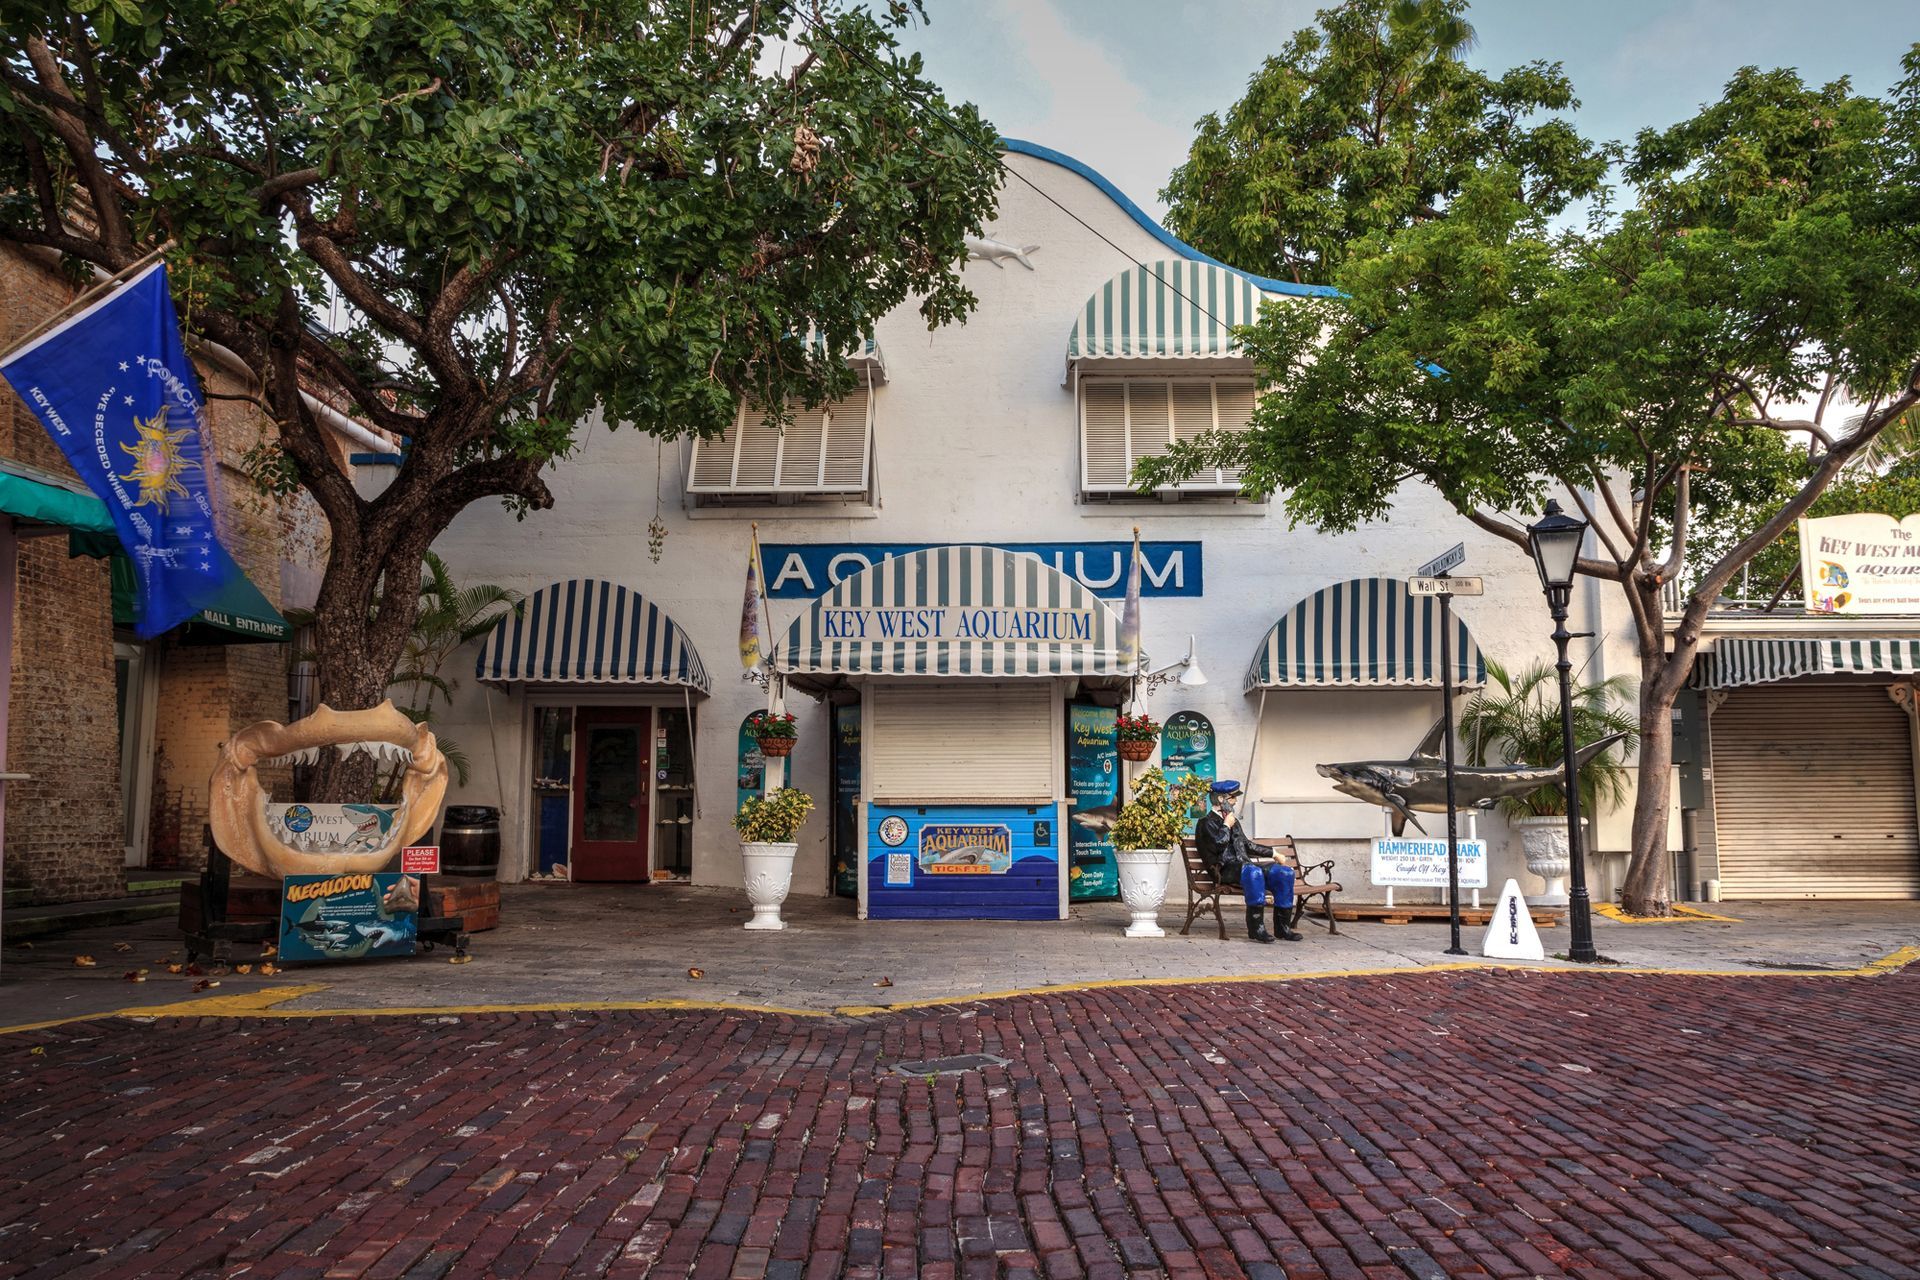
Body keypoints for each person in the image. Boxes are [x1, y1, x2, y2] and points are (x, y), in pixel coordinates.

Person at [1194, 780, 1301, 943]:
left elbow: (1247, 845)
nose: (1235, 801)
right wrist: (1225, 825)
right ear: (1221, 799)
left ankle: (1283, 928)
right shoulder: (1205, 823)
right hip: (1224, 870)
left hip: (1245, 867)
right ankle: (1256, 928)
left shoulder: (1232, 822)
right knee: (1253, 872)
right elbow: (1218, 846)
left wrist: (1273, 853)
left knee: (1284, 873)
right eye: (1232, 798)